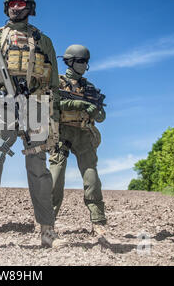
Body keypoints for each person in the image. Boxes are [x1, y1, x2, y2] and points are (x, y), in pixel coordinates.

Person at [0, 0, 67, 251]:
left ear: (30, 7)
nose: (16, 6)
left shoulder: (43, 40)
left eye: (21, 3)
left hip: (36, 107)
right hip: (2, 109)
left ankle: (47, 231)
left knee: (38, 170)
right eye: (12, 3)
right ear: (6, 7)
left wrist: (53, 119)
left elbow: (54, 83)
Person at [49, 44, 107, 236]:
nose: (84, 65)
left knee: (91, 176)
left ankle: (98, 221)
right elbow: (53, 102)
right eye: (81, 61)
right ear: (70, 61)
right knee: (56, 178)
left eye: (86, 62)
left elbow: (101, 117)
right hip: (61, 132)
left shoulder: (89, 87)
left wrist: (94, 109)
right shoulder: (56, 81)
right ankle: (47, 223)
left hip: (83, 133)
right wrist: (77, 103)